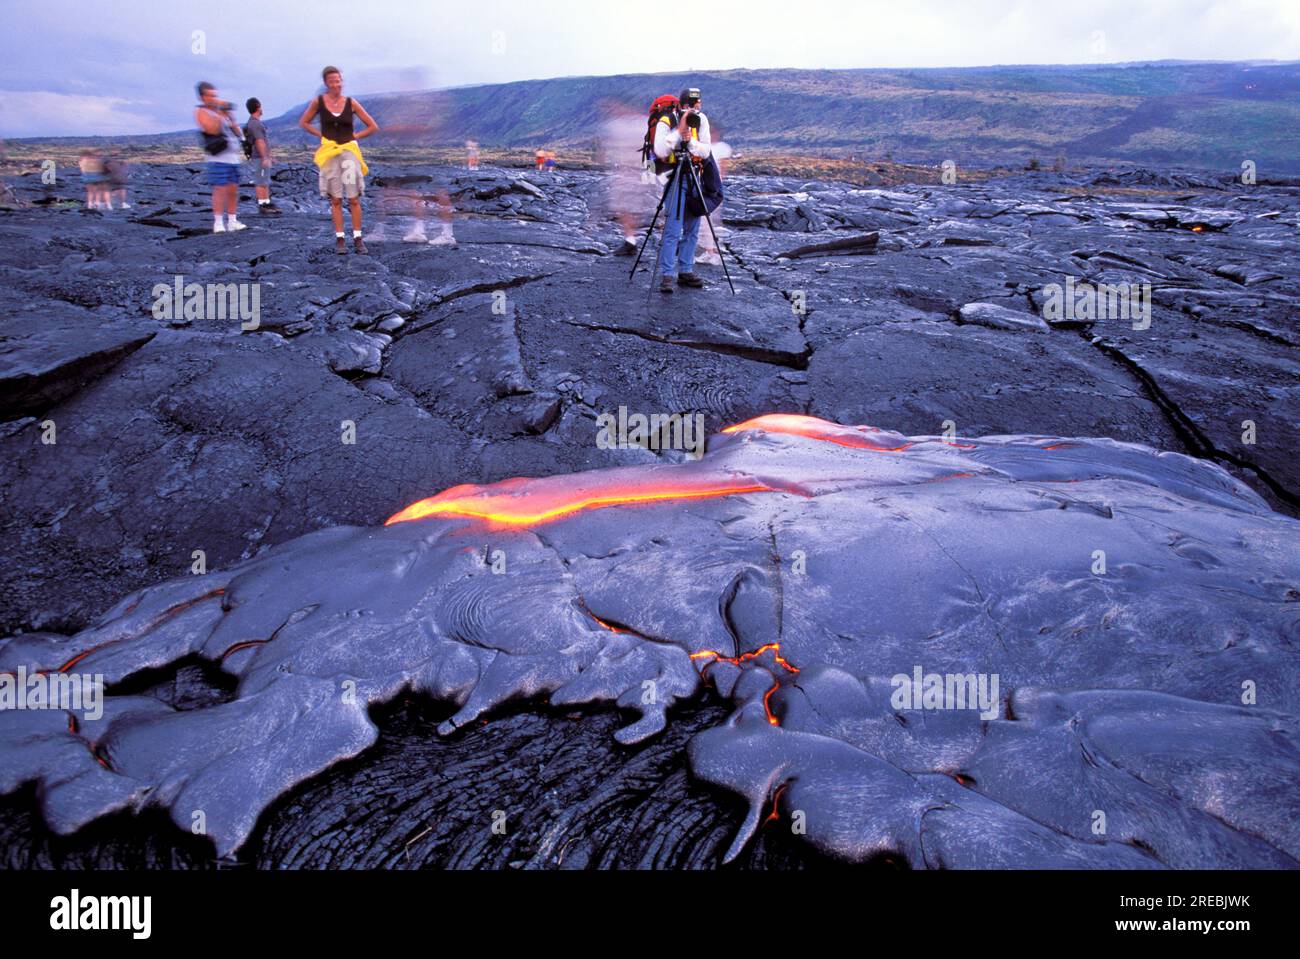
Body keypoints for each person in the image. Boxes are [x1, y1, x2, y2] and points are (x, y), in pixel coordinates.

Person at [298, 66, 379, 254]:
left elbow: (372, 126)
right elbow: (304, 122)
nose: (337, 84)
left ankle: (358, 239)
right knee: (335, 199)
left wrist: (355, 136)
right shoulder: (318, 102)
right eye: (333, 80)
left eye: (339, 80)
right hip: (329, 153)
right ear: (326, 83)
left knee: (353, 198)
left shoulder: (350, 103)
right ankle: (340, 239)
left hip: (349, 153)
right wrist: (321, 134)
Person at [653, 87, 712, 293]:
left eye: (698, 104)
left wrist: (690, 142)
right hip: (674, 177)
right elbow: (660, 150)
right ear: (682, 104)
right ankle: (667, 275)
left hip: (695, 175)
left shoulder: (701, 120)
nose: (695, 108)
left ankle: (686, 270)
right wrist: (678, 132)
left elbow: (705, 151)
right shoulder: (666, 121)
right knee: (672, 228)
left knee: (693, 226)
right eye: (691, 104)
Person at [194, 82, 246, 233]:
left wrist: (231, 118)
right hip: (217, 158)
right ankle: (218, 222)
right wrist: (220, 114)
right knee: (219, 189)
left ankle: (232, 220)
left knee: (233, 189)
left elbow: (235, 129)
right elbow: (212, 129)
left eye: (215, 95)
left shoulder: (220, 111)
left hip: (232, 157)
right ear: (202, 97)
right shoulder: (201, 112)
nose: (214, 99)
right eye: (210, 96)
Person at [244, 98, 280, 215]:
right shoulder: (255, 124)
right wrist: (265, 157)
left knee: (264, 180)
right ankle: (262, 204)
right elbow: (260, 141)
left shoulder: (253, 122)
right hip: (259, 157)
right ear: (258, 107)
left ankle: (266, 202)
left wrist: (268, 156)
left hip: (260, 156)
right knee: (261, 180)